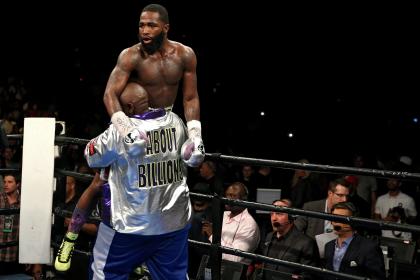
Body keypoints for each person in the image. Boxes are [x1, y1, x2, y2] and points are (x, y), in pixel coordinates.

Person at [84, 82, 192, 279]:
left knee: (104, 271)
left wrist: (114, 125)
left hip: (131, 225)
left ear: (129, 108)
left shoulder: (121, 131)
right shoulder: (175, 121)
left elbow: (91, 155)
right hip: (173, 222)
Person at [102, 3, 204, 168]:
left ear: (165, 28)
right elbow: (109, 94)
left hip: (167, 122)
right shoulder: (130, 56)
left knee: (166, 174)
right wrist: (127, 130)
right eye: (142, 25)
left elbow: (190, 98)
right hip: (135, 123)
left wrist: (195, 135)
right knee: (105, 179)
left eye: (151, 25)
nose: (145, 31)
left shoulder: (184, 55)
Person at [255, 199, 320, 280]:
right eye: (272, 214)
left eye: (279, 213)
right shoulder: (269, 236)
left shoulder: (306, 243)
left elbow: (308, 276)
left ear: (291, 217)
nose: (274, 218)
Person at [201, 182, 260, 264]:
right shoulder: (224, 215)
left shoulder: (249, 225)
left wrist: (212, 235)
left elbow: (235, 258)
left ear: (244, 199)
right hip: (214, 263)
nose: (228, 199)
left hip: (234, 272)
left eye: (233, 196)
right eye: (227, 195)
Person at [324, 202, 385, 279]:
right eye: (334, 218)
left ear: (352, 222)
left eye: (341, 218)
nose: (336, 222)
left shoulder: (369, 248)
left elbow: (377, 278)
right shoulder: (329, 246)